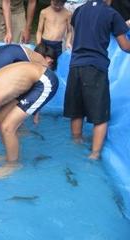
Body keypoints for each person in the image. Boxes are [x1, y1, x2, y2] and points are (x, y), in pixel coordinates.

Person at [63, 0, 130, 160]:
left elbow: (85, 31)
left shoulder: (78, 11)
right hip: (95, 68)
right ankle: (94, 154)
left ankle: (76, 142)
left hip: (75, 66)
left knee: (76, 111)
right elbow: (125, 46)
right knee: (101, 115)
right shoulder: (111, 13)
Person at [0, 42, 58, 124]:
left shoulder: (28, 56)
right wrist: (35, 118)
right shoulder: (38, 66)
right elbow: (35, 91)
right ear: (49, 61)